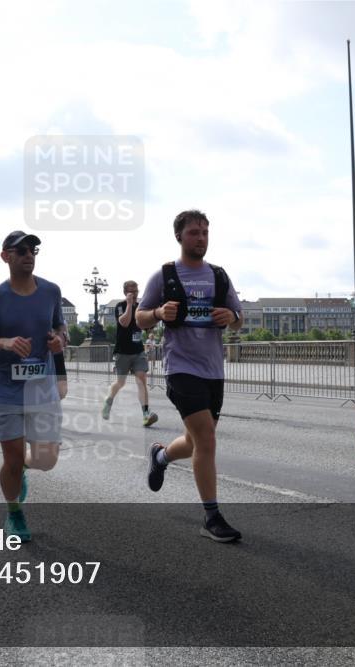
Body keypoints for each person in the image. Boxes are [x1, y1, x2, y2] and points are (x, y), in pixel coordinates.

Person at [136, 209, 244, 543]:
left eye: (205, 232)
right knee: (207, 439)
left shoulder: (219, 276)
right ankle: (212, 517)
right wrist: (157, 312)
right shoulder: (165, 276)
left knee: (197, 440)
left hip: (213, 369)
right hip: (180, 367)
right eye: (195, 232)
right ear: (180, 236)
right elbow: (139, 319)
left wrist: (232, 316)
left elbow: (239, 317)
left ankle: (161, 455)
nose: (201, 238)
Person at [0, 231, 66, 542]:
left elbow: (60, 326)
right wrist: (4, 342)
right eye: (22, 250)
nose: (29, 255)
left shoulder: (51, 291)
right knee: (11, 458)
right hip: (6, 388)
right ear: (5, 256)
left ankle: (20, 470)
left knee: (46, 459)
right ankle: (14, 513)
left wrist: (59, 340)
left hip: (42, 387)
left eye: (34, 250)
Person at [103, 280, 159, 427]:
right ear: (125, 292)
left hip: (138, 350)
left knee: (141, 380)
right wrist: (129, 304)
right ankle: (109, 400)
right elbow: (125, 322)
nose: (134, 294)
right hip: (123, 351)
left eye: (136, 291)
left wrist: (152, 320)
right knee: (120, 382)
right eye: (131, 291)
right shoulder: (120, 306)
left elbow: (148, 326)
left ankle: (146, 414)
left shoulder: (141, 307)